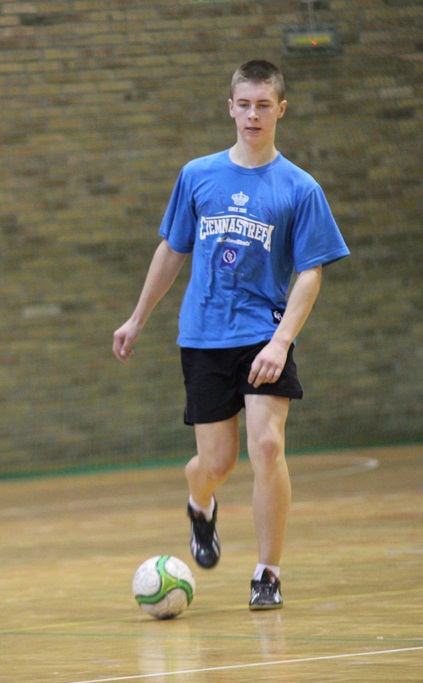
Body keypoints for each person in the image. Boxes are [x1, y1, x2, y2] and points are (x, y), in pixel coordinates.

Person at [113, 59, 349, 610]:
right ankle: (200, 505)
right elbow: (172, 250)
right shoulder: (197, 175)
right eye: (243, 104)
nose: (252, 114)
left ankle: (267, 573)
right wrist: (137, 318)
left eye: (263, 105)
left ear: (280, 110)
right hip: (203, 336)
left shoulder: (301, 187)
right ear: (230, 108)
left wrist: (281, 341)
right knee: (216, 464)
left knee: (267, 445)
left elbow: (310, 272)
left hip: (263, 334)